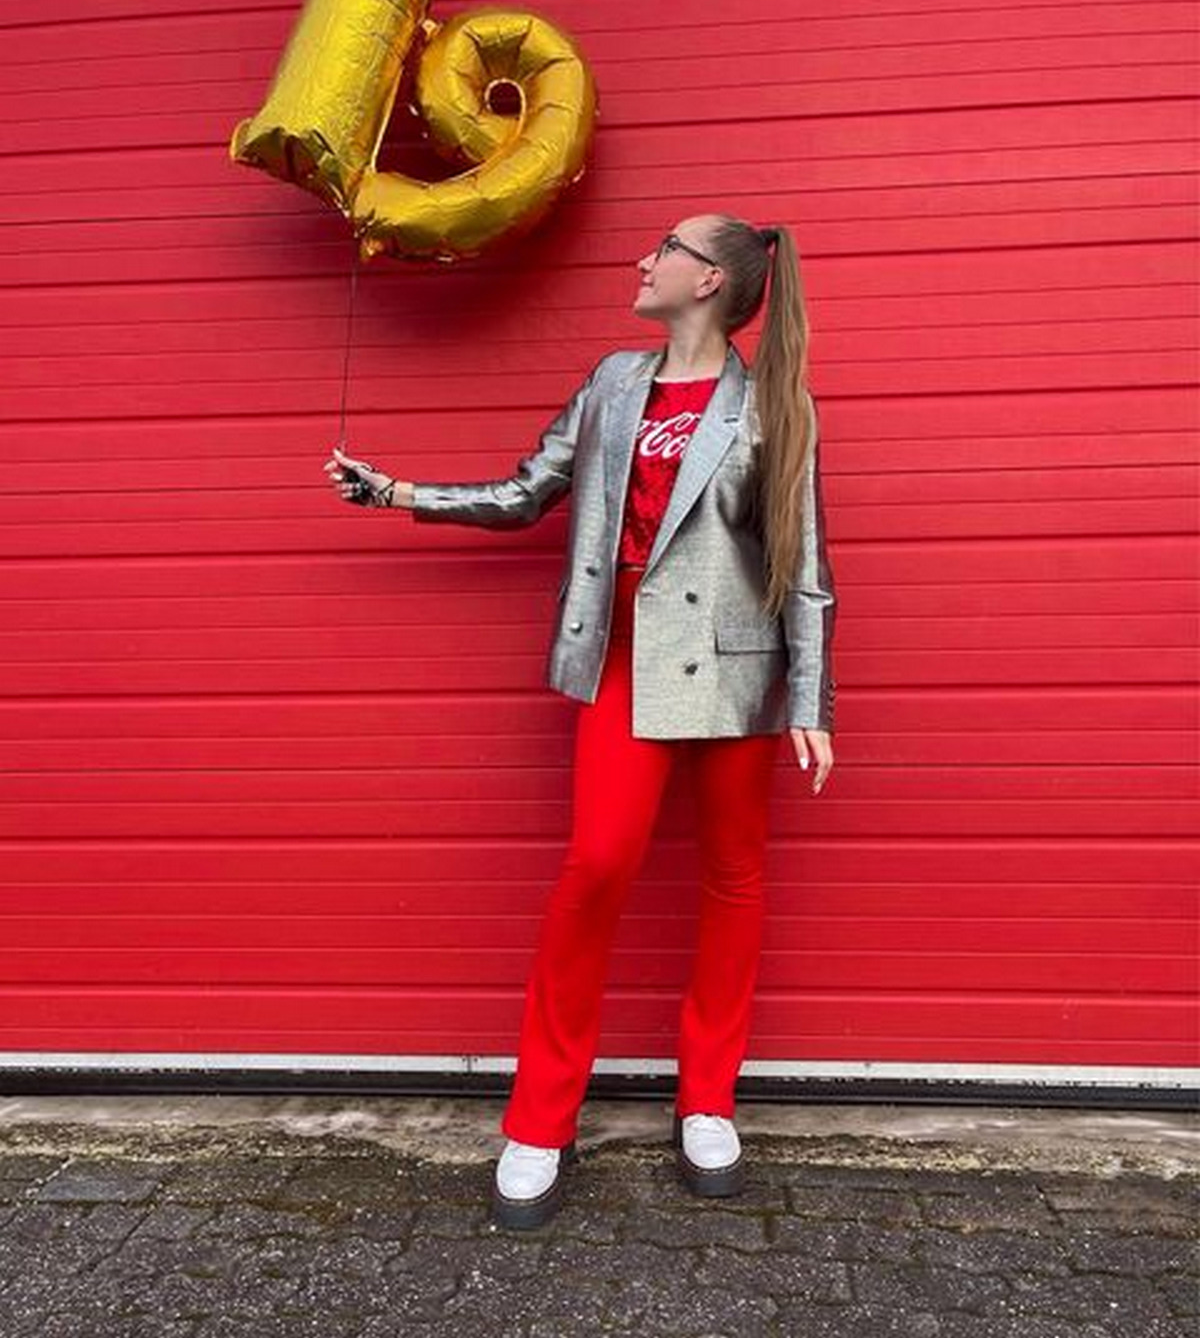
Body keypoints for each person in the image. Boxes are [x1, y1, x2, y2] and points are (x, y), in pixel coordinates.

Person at [325, 212, 836, 1232]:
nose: (643, 262)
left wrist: (811, 699)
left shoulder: (771, 402)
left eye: (666, 251)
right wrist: (400, 491)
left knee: (734, 879)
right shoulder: (610, 382)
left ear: (709, 284)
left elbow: (804, 564)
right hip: (619, 659)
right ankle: (540, 1118)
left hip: (737, 673)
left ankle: (706, 1102)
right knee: (598, 866)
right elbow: (527, 493)